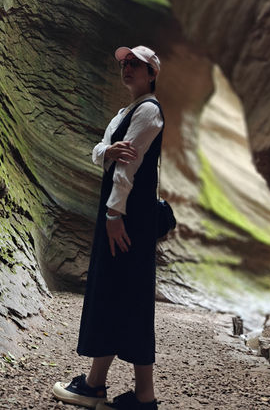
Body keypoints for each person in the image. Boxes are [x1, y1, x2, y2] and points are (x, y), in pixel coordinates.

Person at [53, 45, 164, 410]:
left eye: (137, 65)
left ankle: (130, 393)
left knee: (125, 293)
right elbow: (99, 151)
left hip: (127, 218)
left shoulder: (148, 111)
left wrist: (114, 215)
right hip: (122, 215)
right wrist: (107, 151)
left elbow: (126, 169)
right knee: (119, 293)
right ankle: (99, 384)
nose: (128, 68)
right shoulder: (125, 112)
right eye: (125, 63)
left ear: (152, 75)